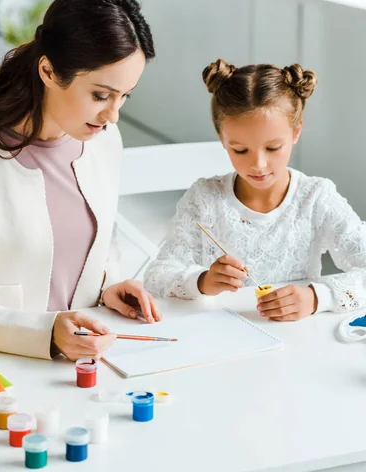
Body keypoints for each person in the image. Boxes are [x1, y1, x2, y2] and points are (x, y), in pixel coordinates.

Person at [0, 0, 162, 361]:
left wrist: (108, 286)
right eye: (100, 95)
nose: (113, 114)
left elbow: (90, 246)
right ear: (49, 71)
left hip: (88, 363)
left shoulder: (104, 142)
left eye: (124, 96)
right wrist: (44, 335)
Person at [144, 59, 366, 321]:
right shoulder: (204, 197)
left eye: (272, 148)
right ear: (221, 137)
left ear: (296, 131)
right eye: (240, 150)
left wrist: (317, 297)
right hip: (220, 334)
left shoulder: (316, 197)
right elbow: (157, 276)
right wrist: (202, 281)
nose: (258, 164)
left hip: (298, 340)